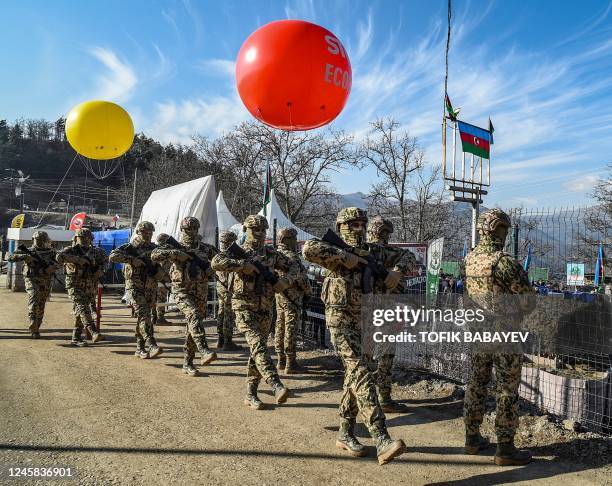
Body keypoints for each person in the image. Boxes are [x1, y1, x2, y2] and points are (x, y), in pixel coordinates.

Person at [303, 207, 406, 466]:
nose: (359, 228)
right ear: (340, 227)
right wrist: (343, 256)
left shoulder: (374, 251)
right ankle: (381, 437)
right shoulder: (333, 252)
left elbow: (407, 256)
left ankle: (345, 432)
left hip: (366, 320)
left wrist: (397, 272)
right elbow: (308, 249)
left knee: (356, 375)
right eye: (352, 224)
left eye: (362, 223)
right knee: (360, 371)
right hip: (340, 320)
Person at [463, 208, 534, 466]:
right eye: (504, 229)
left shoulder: (468, 260)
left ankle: (472, 438)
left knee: (477, 383)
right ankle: (505, 448)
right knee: (506, 388)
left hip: (477, 332)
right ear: (496, 229)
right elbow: (528, 301)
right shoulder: (503, 262)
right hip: (504, 333)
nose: (506, 233)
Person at [211, 215, 294, 409]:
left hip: (265, 308)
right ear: (246, 230)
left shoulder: (271, 254)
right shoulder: (238, 252)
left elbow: (295, 267)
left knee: (258, 350)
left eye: (263, 230)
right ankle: (275, 384)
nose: (260, 233)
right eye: (256, 229)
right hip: (243, 306)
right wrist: (242, 265)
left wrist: (286, 281)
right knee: (258, 344)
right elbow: (216, 262)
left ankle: (251, 393)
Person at [151, 217, 217, 375]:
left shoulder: (205, 248)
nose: (192, 232)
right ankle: (204, 350)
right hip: (182, 291)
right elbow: (154, 255)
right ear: (182, 230)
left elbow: (220, 259)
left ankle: (188, 363)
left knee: (193, 325)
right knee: (193, 314)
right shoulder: (174, 246)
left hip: (200, 292)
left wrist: (212, 269)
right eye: (188, 229)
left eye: (195, 229)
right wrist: (175, 253)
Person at [365, 216, 416, 413]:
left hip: (366, 309)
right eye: (384, 233)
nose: (385, 236)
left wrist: (394, 273)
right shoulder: (383, 252)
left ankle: (368, 397)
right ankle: (383, 397)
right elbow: (410, 257)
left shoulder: (369, 251)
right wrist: (397, 271)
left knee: (368, 356)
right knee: (385, 354)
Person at [109, 221, 163, 359]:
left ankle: (140, 348)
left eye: (150, 233)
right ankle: (151, 344)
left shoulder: (154, 248)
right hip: (135, 287)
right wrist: (132, 260)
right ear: (138, 232)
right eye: (145, 232)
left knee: (144, 317)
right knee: (144, 314)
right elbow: (113, 256)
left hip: (150, 287)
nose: (148, 235)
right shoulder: (130, 247)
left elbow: (162, 265)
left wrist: (160, 273)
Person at [56, 228, 108, 346]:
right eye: (81, 238)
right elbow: (59, 257)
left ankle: (76, 337)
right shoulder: (71, 250)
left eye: (87, 238)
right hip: (74, 284)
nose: (84, 240)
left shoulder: (97, 251)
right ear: (76, 238)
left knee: (80, 310)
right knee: (82, 307)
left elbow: (106, 261)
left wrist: (101, 270)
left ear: (91, 239)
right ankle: (93, 331)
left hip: (90, 285)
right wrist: (77, 259)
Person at [274, 227, 311, 374]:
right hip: (293, 298)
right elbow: (301, 278)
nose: (296, 241)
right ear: (287, 240)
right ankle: (291, 363)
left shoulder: (276, 255)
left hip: (280, 296)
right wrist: (309, 292)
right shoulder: (292, 257)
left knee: (280, 327)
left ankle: (280, 360)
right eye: (294, 239)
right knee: (290, 328)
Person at [8, 231, 59, 338]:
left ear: (46, 241)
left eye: (41, 240)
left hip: (45, 280)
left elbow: (59, 262)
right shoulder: (28, 251)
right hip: (31, 279)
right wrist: (25, 257)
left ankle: (36, 328)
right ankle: (32, 321)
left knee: (41, 304)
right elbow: (11, 257)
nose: (39, 242)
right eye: (37, 240)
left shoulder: (51, 252)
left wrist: (53, 267)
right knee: (34, 296)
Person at [215, 231, 242, 351]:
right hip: (228, 288)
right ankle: (227, 341)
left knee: (221, 312)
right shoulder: (230, 256)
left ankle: (220, 339)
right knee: (228, 314)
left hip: (221, 287)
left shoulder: (220, 255)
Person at [152, 233, 171, 325]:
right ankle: (160, 318)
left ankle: (154, 316)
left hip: (154, 279)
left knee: (154, 298)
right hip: (162, 279)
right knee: (161, 299)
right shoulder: (165, 252)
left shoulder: (154, 250)